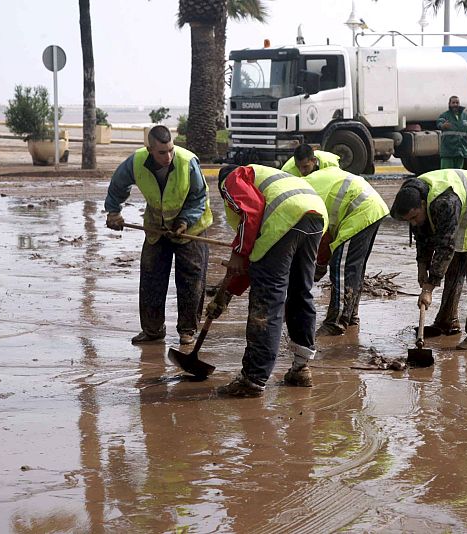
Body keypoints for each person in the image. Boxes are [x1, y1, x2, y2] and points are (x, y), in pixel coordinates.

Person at [210, 164, 328, 397]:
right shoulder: (268, 177)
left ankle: (253, 379)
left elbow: (249, 213)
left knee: (267, 299)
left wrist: (238, 253)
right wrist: (226, 294)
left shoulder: (232, 178)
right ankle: (301, 368)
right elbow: (254, 258)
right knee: (300, 291)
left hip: (285, 217)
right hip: (315, 215)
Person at [104, 125, 212, 346]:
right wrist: (114, 212)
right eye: (162, 152)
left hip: (191, 228)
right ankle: (152, 330)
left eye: (171, 150)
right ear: (150, 149)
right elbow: (117, 185)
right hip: (156, 227)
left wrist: (184, 221)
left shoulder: (188, 161)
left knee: (191, 280)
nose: (168, 156)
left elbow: (199, 197)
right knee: (151, 276)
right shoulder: (135, 162)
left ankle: (187, 330)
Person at [389, 169, 467, 350]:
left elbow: (445, 246)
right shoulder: (413, 194)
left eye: (414, 217)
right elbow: (422, 235)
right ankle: (447, 322)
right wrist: (422, 266)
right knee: (452, 268)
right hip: (463, 209)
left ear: (423, 204)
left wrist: (428, 288)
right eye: (408, 220)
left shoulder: (444, 203)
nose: (412, 222)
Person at [304, 166, 389, 336]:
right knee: (355, 268)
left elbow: (324, 236)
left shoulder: (301, 196)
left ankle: (336, 322)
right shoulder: (305, 184)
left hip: (360, 211)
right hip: (372, 208)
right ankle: (351, 316)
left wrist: (320, 266)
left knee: (341, 267)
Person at [437, 95, 467, 169]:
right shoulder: (445, 115)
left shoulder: (466, 117)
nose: (455, 104)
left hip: (460, 152)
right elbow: (439, 123)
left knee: (457, 174)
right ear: (449, 104)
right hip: (448, 152)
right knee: (446, 174)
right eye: (453, 103)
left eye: (457, 102)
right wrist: (442, 126)